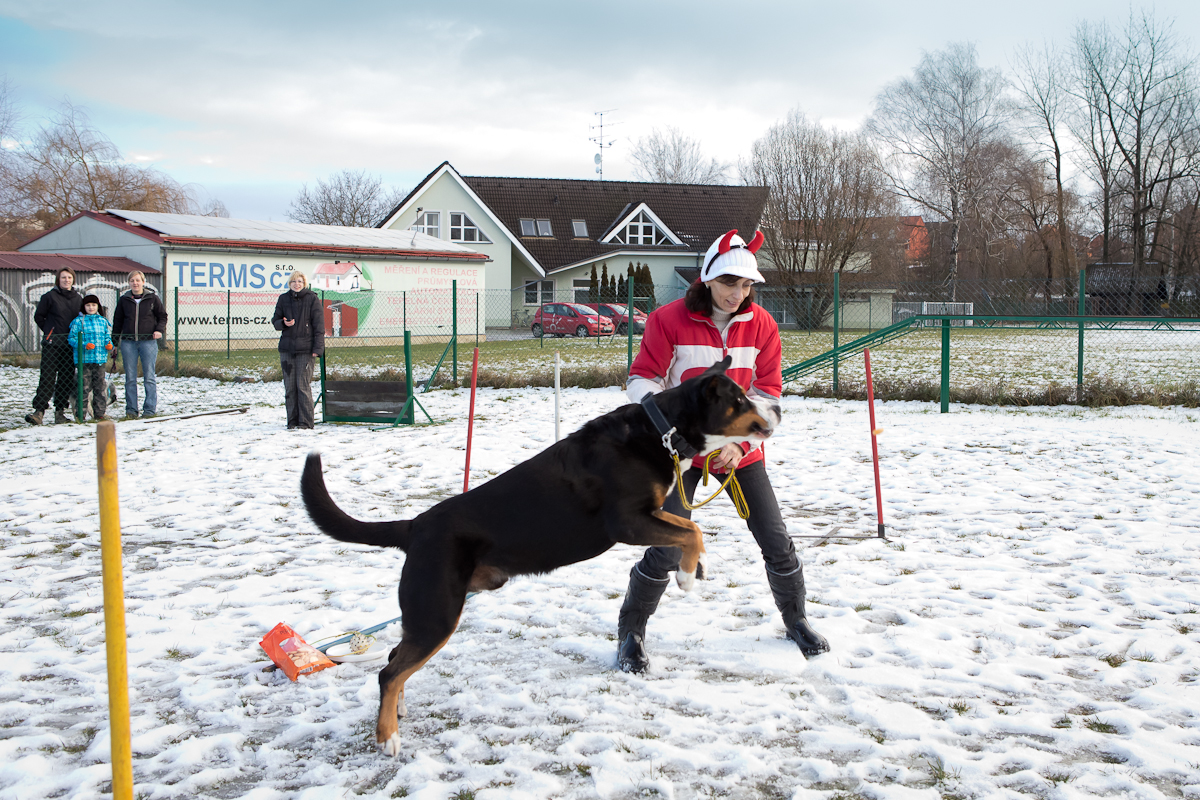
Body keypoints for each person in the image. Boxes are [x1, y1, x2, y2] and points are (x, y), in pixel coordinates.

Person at [616, 229, 831, 673]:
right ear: (709, 278)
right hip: (683, 452)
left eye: (747, 285)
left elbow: (769, 394)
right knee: (668, 546)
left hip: (740, 453)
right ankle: (631, 632)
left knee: (775, 539)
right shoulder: (667, 320)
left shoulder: (763, 326)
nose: (738, 293)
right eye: (730, 283)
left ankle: (797, 620)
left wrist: (741, 441)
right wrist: (666, 426)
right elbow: (641, 381)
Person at [26, 267, 83, 425]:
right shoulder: (49, 297)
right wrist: (50, 330)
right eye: (63, 277)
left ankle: (60, 412)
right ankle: (39, 411)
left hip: (69, 345)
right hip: (52, 344)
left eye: (69, 277)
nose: (66, 280)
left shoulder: (78, 298)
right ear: (58, 279)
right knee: (47, 378)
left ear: (73, 279)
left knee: (65, 378)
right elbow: (39, 316)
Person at [111, 271, 168, 419]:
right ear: (129, 283)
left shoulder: (152, 298)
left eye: (138, 280)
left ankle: (149, 410)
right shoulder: (124, 300)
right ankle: (131, 410)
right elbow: (117, 322)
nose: (135, 283)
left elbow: (162, 316)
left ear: (143, 282)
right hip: (128, 343)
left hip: (148, 342)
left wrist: (159, 330)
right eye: (132, 281)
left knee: (149, 376)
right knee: (130, 378)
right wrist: (114, 343)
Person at [272, 272, 324, 429]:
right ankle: (292, 421)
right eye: (294, 281)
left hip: (306, 350)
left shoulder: (312, 298)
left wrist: (317, 349)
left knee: (303, 386)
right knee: (290, 387)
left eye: (300, 281)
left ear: (304, 283)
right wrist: (283, 323)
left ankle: (306, 422)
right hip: (287, 349)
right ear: (289, 284)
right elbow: (275, 321)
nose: (297, 284)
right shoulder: (283, 299)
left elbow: (319, 326)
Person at [68, 294, 114, 421]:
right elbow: (71, 339)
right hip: (84, 360)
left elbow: (107, 337)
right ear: (84, 307)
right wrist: (83, 345)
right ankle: (80, 414)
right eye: (88, 305)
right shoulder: (78, 322)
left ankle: (99, 413)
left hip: (99, 360)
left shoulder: (103, 321)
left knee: (100, 388)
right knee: (83, 387)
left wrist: (110, 345)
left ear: (98, 306)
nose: (91, 307)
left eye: (93, 305)